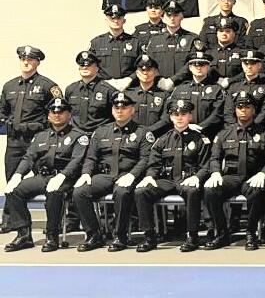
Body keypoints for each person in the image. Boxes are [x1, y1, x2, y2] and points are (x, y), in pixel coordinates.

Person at [72, 91, 153, 252]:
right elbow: (91, 158)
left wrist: (132, 175)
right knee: (79, 192)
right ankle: (94, 235)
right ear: (112, 110)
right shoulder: (101, 132)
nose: (120, 110)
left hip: (127, 175)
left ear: (132, 110)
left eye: (124, 107)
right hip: (105, 175)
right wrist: (86, 174)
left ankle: (120, 236)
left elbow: (146, 159)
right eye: (116, 107)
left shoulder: (142, 133)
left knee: (122, 193)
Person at [2, 98, 86, 252]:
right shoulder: (40, 136)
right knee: (14, 191)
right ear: (48, 115)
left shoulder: (79, 136)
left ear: (69, 115)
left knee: (54, 192)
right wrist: (18, 175)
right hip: (43, 177)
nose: (57, 114)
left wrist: (63, 176)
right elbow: (29, 157)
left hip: (66, 178)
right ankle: (24, 234)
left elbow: (77, 161)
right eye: (53, 112)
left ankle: (52, 236)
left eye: (61, 111)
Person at [133, 99, 211, 252]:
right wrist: (149, 176)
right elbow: (154, 164)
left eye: (183, 114)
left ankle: (192, 236)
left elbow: (206, 164)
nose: (179, 117)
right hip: (167, 180)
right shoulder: (162, 140)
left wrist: (197, 177)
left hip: (188, 179)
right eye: (175, 114)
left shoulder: (200, 139)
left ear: (190, 116)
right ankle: (149, 237)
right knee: (141, 191)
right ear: (170, 117)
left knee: (193, 191)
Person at [202, 90, 265, 251]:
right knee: (209, 191)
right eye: (239, 106)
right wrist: (215, 172)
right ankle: (222, 234)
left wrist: (263, 173)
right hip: (231, 176)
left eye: (247, 107)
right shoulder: (223, 134)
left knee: (258, 193)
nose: (243, 110)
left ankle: (251, 233)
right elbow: (214, 158)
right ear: (235, 110)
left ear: (254, 110)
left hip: (253, 176)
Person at [166, 50, 227, 136]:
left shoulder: (217, 90)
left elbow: (217, 114)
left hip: (207, 134)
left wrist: (199, 127)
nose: (199, 68)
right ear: (190, 68)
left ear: (208, 67)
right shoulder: (180, 89)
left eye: (202, 65)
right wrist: (186, 126)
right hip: (182, 134)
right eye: (195, 65)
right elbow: (170, 110)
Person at [141, 0, 197, 83]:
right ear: (162, 18)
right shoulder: (154, 40)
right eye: (168, 15)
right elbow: (150, 63)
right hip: (159, 86)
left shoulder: (191, 39)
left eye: (176, 15)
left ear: (181, 17)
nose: (172, 18)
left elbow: (192, 64)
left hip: (184, 86)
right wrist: (160, 80)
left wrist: (172, 80)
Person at [64, 50, 117, 134]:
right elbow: (66, 114)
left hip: (99, 135)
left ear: (97, 68)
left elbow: (117, 115)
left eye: (88, 65)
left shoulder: (108, 90)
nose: (85, 67)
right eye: (82, 65)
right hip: (75, 135)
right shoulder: (71, 89)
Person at [88, 4, 139, 82]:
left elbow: (142, 66)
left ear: (124, 21)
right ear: (106, 21)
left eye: (118, 18)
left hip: (129, 88)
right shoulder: (96, 43)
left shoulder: (135, 42)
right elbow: (90, 66)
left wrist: (129, 79)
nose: (116, 21)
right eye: (112, 18)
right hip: (103, 87)